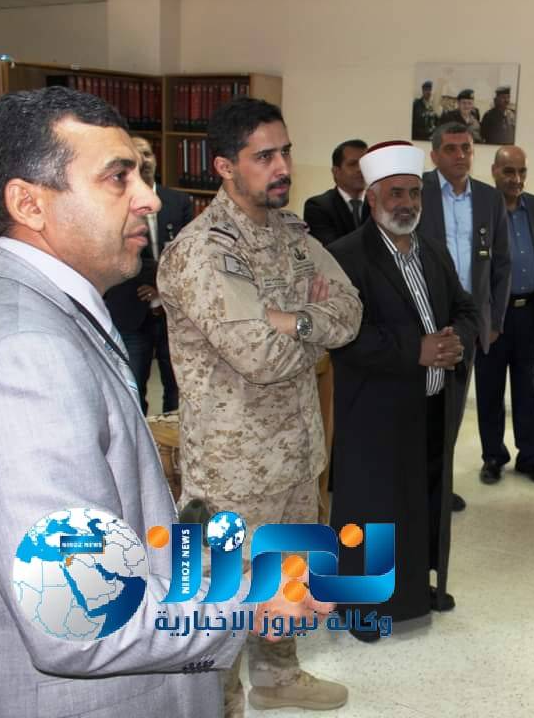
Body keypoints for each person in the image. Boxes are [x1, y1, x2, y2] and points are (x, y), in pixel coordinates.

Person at [0, 86, 327, 718]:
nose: (150, 199)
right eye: (117, 178)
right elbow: (78, 611)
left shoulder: (19, 307)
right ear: (29, 203)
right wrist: (251, 599)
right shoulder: (26, 352)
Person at [159, 97, 363, 716]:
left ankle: (277, 678)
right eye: (264, 156)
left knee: (286, 576)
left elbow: (350, 311)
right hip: (234, 469)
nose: (283, 167)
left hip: (296, 453)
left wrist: (288, 319)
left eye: (286, 152)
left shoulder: (292, 235)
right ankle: (218, 704)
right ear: (225, 167)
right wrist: (311, 326)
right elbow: (260, 357)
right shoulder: (203, 251)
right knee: (223, 600)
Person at [327, 140, 477, 637]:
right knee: (373, 512)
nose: (407, 203)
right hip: (374, 411)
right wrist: (416, 349)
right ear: (372, 197)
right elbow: (344, 335)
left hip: (430, 406)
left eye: (414, 193)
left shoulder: (431, 249)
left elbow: (464, 308)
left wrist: (457, 341)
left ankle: (415, 592)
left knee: (420, 505)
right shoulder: (345, 257)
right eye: (395, 193)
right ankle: (360, 609)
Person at [419, 122, 512, 511]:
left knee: (453, 409)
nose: (460, 155)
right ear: (434, 155)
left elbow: (501, 264)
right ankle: (413, 488)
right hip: (423, 319)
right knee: (418, 408)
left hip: (467, 322)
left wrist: (494, 321)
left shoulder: (490, 199)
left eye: (467, 148)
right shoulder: (417, 190)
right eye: (451, 148)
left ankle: (440, 488)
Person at [476, 145, 534, 486]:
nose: (516, 179)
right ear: (495, 171)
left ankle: (530, 457)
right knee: (490, 390)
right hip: (494, 316)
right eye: (509, 171)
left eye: (522, 171)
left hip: (529, 312)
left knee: (526, 389)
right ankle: (493, 457)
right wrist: (485, 317)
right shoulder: (482, 210)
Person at [103, 135, 192, 415]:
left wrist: (161, 290)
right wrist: (151, 283)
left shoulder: (178, 202)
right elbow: (113, 255)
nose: (145, 161)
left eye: (148, 154)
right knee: (133, 389)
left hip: (173, 311)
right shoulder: (112, 204)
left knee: (177, 389)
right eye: (137, 155)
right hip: (130, 308)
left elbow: (187, 255)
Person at [303, 138, 370, 247]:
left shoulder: (378, 205)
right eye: (352, 164)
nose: (360, 169)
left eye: (365, 163)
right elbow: (332, 249)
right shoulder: (317, 206)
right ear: (336, 172)